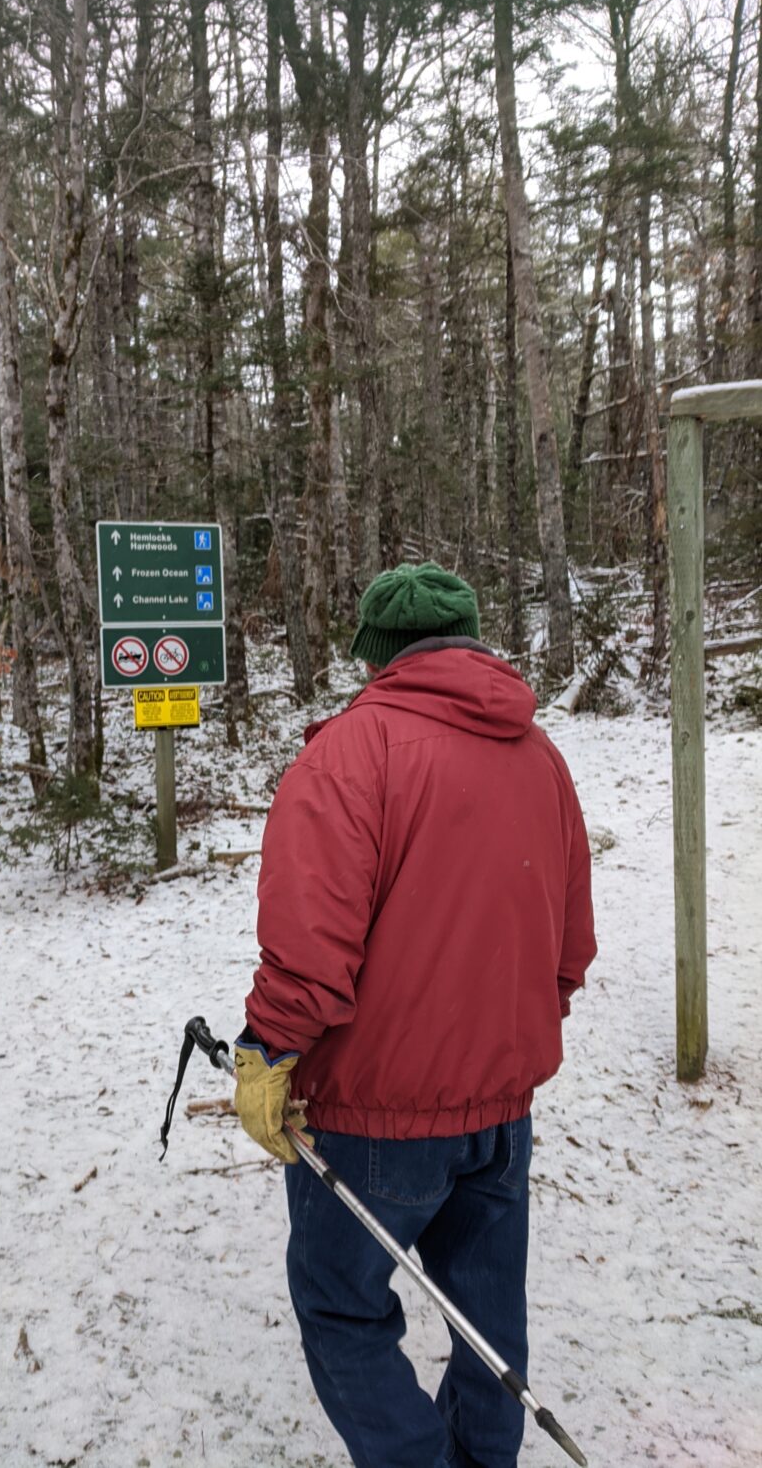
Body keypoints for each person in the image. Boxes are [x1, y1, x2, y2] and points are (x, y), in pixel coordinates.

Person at [234, 561, 597, 1468]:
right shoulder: (540, 757)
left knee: (340, 1306)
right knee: (485, 1318)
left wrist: (268, 1048)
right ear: (472, 638)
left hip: (371, 1113)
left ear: (379, 657)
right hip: (501, 1113)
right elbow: (570, 946)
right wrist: (511, 1033)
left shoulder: (350, 755)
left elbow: (310, 950)